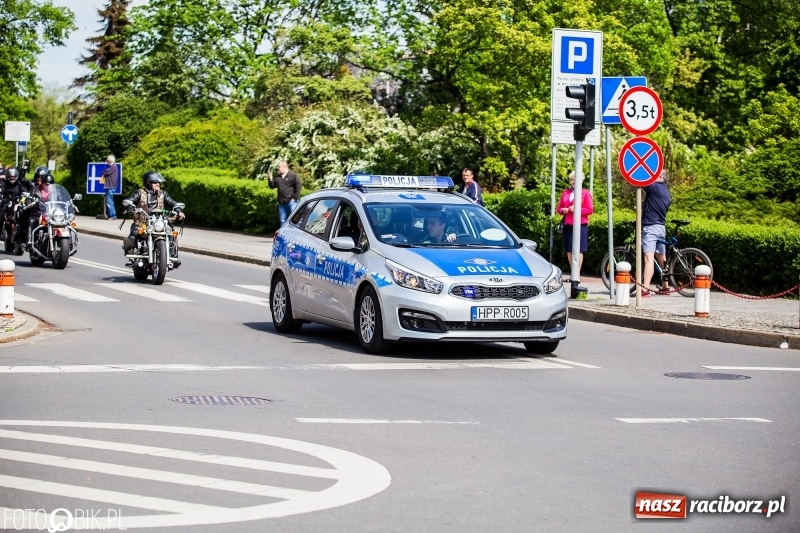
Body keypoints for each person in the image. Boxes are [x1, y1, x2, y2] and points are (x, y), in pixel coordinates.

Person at [122, 171, 185, 266]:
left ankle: (172, 255)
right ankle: (132, 253)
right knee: (134, 233)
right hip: (143, 222)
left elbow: (172, 202)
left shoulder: (163, 194)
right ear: (148, 183)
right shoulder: (140, 193)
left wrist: (179, 210)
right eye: (155, 182)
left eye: (158, 182)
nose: (158, 184)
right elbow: (131, 200)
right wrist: (130, 206)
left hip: (159, 222)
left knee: (171, 232)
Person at [557, 170, 594, 282]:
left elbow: (589, 209)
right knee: (569, 249)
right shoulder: (565, 193)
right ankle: (573, 272)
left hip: (580, 223)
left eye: (575, 179)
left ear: (581, 181)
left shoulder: (585, 193)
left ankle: (577, 274)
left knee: (579, 249)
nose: (573, 181)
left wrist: (577, 210)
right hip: (568, 223)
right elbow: (559, 208)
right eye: (572, 179)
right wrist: (562, 210)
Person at [641, 169, 672, 296]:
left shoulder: (654, 187)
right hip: (661, 227)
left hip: (651, 227)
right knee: (661, 258)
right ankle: (665, 286)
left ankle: (645, 288)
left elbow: (639, 179)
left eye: (654, 174)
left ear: (659, 177)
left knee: (648, 258)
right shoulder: (666, 192)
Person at [268, 161, 302, 226]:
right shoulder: (278, 177)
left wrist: (295, 197)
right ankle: (283, 235)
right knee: (282, 220)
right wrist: (270, 179)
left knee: (295, 220)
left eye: (279, 167)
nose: (278, 168)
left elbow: (298, 186)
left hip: (292, 202)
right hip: (282, 203)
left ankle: (297, 234)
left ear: (284, 167)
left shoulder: (293, 175)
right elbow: (272, 186)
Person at [101, 155, 118, 220]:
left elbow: (105, 172)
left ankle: (113, 216)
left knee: (109, 201)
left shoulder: (113, 167)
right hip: (110, 186)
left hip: (110, 186)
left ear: (109, 161)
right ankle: (110, 215)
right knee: (109, 201)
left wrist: (105, 166)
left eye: (107, 161)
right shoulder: (113, 167)